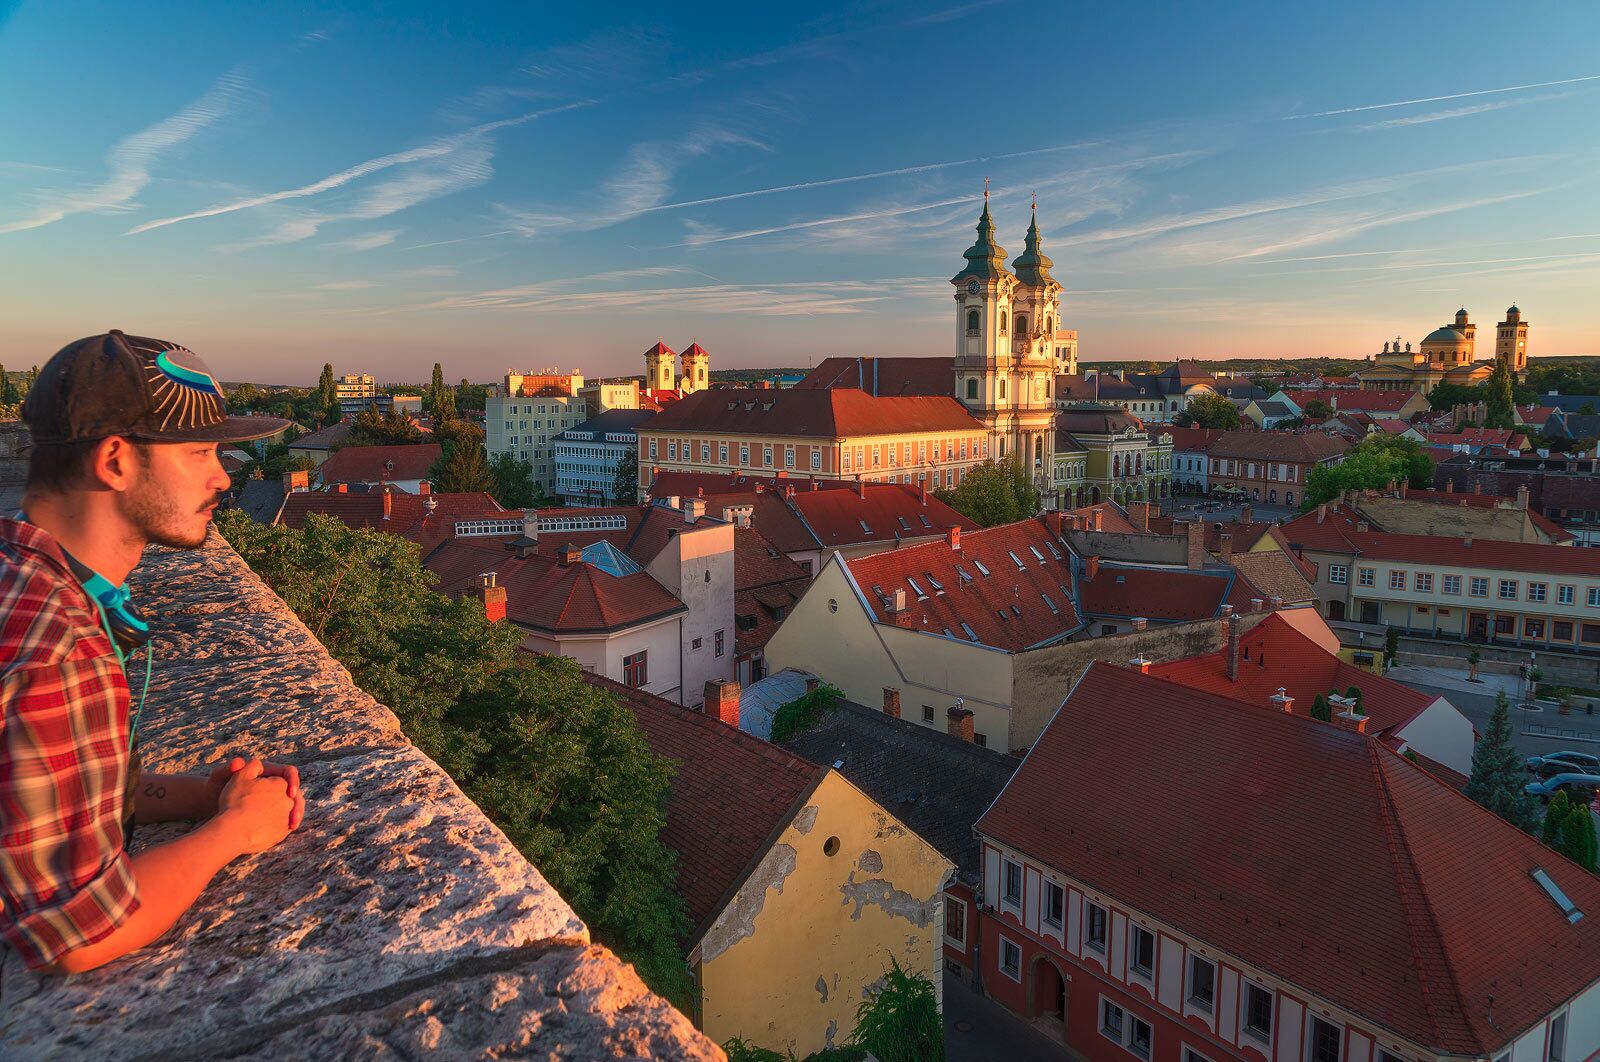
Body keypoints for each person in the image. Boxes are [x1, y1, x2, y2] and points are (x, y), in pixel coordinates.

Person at [1, 331, 306, 974]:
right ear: (114, 461)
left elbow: (37, 796)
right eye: (199, 451)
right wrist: (230, 833)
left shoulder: (21, 574)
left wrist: (200, 796)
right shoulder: (60, 651)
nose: (223, 477)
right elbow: (74, 935)